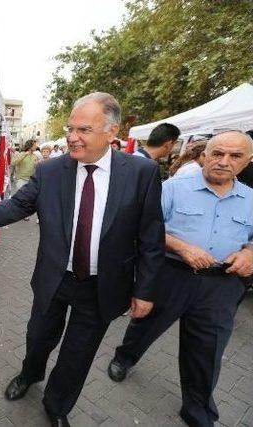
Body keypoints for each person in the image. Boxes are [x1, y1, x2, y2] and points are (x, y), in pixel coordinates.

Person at [0, 92, 164, 426]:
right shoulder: (51, 171)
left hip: (103, 286)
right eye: (69, 128)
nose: (71, 137)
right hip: (56, 277)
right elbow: (15, 206)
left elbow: (152, 236)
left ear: (112, 131)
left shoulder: (142, 172)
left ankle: (57, 405)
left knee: (78, 353)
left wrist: (146, 290)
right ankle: (29, 374)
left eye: (83, 129)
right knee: (38, 335)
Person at [108, 131, 253, 427]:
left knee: (207, 350)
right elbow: (143, 231)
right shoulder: (173, 188)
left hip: (221, 284)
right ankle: (125, 357)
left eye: (235, 156)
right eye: (217, 153)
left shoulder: (251, 199)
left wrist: (250, 252)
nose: (224, 162)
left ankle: (198, 411)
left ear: (248, 161)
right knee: (146, 324)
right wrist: (182, 246)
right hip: (172, 275)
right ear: (204, 154)